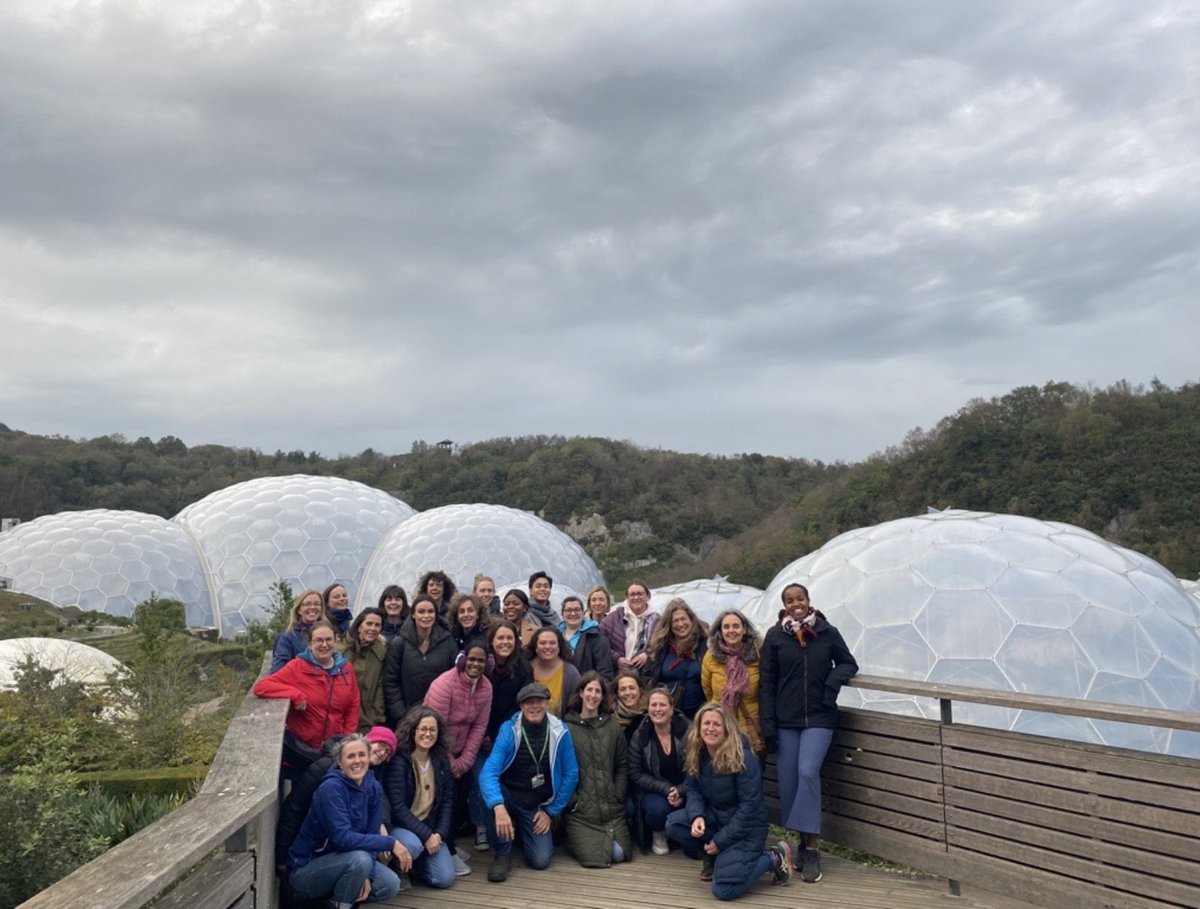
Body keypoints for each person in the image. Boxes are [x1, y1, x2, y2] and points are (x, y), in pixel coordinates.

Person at [760, 583, 858, 884]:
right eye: (789, 601)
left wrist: (829, 688)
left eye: (799, 598)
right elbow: (767, 682)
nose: (795, 604)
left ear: (808, 601)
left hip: (819, 717)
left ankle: (814, 850)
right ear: (784, 605)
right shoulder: (776, 636)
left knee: (806, 773)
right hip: (786, 721)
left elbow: (848, 664)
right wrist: (768, 726)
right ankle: (802, 844)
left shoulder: (827, 633)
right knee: (789, 784)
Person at [664, 703, 792, 900]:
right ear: (698, 727)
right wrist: (697, 815)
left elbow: (749, 808)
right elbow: (692, 788)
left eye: (717, 724)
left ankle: (773, 858)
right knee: (675, 823)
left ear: (726, 729)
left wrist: (720, 841)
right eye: (706, 723)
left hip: (747, 829)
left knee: (723, 891)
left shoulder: (743, 757)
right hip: (717, 817)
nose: (711, 728)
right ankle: (715, 859)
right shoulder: (697, 752)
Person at [286, 733, 410, 908]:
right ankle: (340, 904)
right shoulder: (331, 788)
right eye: (350, 756)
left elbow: (372, 834)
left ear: (368, 758)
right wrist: (389, 843)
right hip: (307, 869)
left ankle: (332, 900)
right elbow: (342, 839)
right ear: (340, 763)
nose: (357, 761)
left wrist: (368, 875)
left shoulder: (374, 788)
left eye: (362, 755)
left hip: (347, 862)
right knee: (360, 860)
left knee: (389, 884)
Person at [479, 682, 579, 882]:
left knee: (541, 860)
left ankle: (519, 834)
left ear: (547, 703)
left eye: (539, 701)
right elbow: (488, 772)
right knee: (489, 796)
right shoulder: (509, 729)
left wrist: (551, 812)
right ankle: (502, 853)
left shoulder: (560, 731)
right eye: (528, 702)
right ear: (521, 706)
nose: (534, 706)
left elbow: (571, 773)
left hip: (536, 804)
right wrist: (498, 807)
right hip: (509, 795)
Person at [275, 725, 397, 870]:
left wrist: (382, 823)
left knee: (389, 883)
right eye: (381, 745)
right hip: (312, 850)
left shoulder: (372, 778)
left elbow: (383, 803)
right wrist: (282, 856)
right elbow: (295, 807)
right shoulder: (326, 768)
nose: (383, 753)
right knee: (360, 861)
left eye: (388, 752)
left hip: (346, 851)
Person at [424, 643, 494, 875]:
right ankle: (448, 849)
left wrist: (464, 761)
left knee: (464, 792)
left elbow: (479, 726)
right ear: (463, 660)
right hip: (435, 748)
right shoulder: (445, 684)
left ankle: (450, 842)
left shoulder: (486, 688)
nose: (475, 664)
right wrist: (451, 763)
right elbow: (437, 727)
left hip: (462, 751)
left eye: (481, 660)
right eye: (471, 659)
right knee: (445, 798)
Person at [254, 620, 360, 773]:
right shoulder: (297, 667)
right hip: (306, 748)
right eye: (319, 640)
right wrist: (295, 694)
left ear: (335, 640)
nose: (324, 644)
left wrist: (347, 740)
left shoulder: (345, 668)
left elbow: (353, 705)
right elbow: (262, 687)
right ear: (310, 643)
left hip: (334, 746)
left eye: (328, 639)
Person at [476, 619, 533, 851]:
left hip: (508, 731)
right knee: (481, 778)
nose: (505, 642)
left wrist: (498, 735)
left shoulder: (523, 667)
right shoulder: (482, 664)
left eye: (510, 638)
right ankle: (484, 826)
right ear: (492, 641)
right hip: (479, 731)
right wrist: (484, 733)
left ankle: (510, 829)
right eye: (500, 638)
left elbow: (522, 704)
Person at [563, 672, 632, 867]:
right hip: (582, 813)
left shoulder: (612, 727)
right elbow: (559, 770)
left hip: (611, 809)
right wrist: (573, 801)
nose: (593, 695)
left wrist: (618, 793)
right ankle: (572, 839)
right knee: (600, 856)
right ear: (581, 693)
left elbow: (622, 765)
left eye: (598, 691)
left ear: (602, 696)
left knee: (619, 854)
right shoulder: (566, 728)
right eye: (589, 690)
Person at [385, 707, 458, 889]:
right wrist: (426, 836)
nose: (428, 734)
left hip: (430, 827)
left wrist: (439, 833)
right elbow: (397, 806)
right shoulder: (400, 761)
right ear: (413, 731)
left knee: (444, 879)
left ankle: (416, 866)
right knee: (413, 845)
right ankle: (398, 868)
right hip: (402, 828)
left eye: (432, 730)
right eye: (423, 729)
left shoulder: (440, 760)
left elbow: (448, 799)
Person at [628, 687, 690, 855]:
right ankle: (659, 833)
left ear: (671, 708)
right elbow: (636, 773)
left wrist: (680, 790)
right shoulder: (640, 735)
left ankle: (679, 833)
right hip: (654, 790)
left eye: (662, 705)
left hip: (687, 788)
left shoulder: (688, 731)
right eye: (653, 705)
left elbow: (697, 768)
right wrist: (666, 789)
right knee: (658, 810)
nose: (657, 709)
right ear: (648, 709)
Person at [383, 595, 458, 726]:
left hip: (439, 716)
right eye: (421, 611)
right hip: (406, 717)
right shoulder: (399, 643)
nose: (426, 616)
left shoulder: (448, 641)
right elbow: (390, 681)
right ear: (413, 615)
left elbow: (456, 678)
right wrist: (402, 714)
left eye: (430, 611)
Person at [701, 610, 765, 757]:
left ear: (744, 629)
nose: (731, 631)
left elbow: (766, 689)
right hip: (722, 726)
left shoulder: (757, 653)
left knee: (752, 773)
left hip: (751, 727)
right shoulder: (711, 656)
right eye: (726, 627)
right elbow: (708, 691)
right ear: (720, 631)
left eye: (736, 626)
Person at [647, 598, 709, 718]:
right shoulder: (661, 648)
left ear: (691, 620)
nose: (680, 624)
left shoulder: (704, 645)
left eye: (683, 619)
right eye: (675, 621)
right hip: (669, 714)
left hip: (701, 713)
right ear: (669, 625)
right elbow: (650, 677)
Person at [339, 608, 389, 732]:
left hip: (367, 720)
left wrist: (377, 717)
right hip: (341, 717)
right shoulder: (340, 649)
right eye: (369, 623)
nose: (373, 628)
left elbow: (380, 687)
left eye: (377, 625)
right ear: (359, 626)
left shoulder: (381, 653)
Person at [600, 581, 660, 675]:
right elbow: (601, 644)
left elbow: (661, 644)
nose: (636, 597)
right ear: (627, 598)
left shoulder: (657, 620)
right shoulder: (613, 618)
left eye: (640, 594)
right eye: (632, 594)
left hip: (646, 675)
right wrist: (617, 658)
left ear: (647, 596)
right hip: (618, 674)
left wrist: (646, 655)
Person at [524, 626, 581, 718]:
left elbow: (576, 708)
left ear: (559, 646)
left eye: (552, 643)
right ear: (535, 646)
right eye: (542, 643)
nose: (547, 647)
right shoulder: (524, 669)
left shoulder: (571, 673)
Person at [270, 588, 327, 674]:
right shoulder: (288, 638)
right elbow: (278, 671)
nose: (312, 607)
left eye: (317, 604)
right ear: (299, 610)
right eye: (307, 604)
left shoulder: (329, 636)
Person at [558, 595, 615, 680]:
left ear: (583, 613)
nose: (573, 613)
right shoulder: (555, 636)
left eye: (577, 610)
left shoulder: (596, 638)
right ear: (562, 614)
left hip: (586, 690)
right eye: (568, 610)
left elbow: (605, 672)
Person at [613, 669, 648, 744]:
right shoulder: (611, 718)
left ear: (640, 689)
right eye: (623, 689)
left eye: (632, 688)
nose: (627, 693)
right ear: (617, 693)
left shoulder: (650, 716)